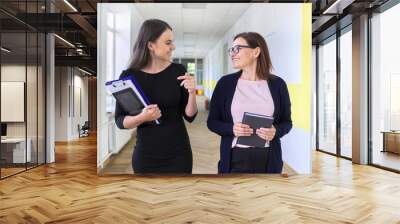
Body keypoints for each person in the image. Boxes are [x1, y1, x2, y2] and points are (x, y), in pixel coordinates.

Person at [115, 19, 198, 174]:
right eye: (168, 42)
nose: (173, 47)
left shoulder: (178, 70)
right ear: (151, 45)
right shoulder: (129, 77)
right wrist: (142, 117)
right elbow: (120, 121)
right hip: (146, 156)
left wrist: (193, 92)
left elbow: (190, 116)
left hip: (179, 154)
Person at [207, 32, 292, 174]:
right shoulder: (225, 84)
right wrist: (232, 129)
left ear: (256, 52)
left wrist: (275, 131)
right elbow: (212, 122)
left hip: (269, 159)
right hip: (234, 159)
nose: (232, 54)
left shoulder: (278, 84)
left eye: (237, 48)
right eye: (231, 50)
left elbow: (287, 123)